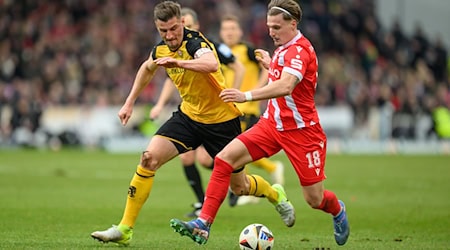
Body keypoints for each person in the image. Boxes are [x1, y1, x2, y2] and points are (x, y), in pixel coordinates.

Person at [90, 1, 292, 246]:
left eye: (174, 29)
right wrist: (129, 102)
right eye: (163, 31)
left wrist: (180, 63)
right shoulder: (161, 49)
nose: (170, 35)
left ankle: (274, 193)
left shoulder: (196, 43)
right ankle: (125, 229)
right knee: (148, 159)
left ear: (182, 23)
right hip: (188, 118)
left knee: (240, 187)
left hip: (222, 122)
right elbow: (146, 68)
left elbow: (211, 64)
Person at [170, 0, 350, 246]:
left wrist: (246, 95)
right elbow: (282, 75)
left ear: (293, 24)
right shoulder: (283, 48)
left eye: (276, 27)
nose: (271, 32)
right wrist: (271, 64)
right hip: (271, 125)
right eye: (269, 26)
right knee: (224, 158)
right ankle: (203, 224)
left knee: (314, 199)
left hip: (302, 132)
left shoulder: (300, 50)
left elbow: (287, 85)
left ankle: (337, 210)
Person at [149, 7, 246, 218]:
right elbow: (169, 78)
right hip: (192, 114)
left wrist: (235, 93)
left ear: (193, 26)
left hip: (220, 113)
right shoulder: (171, 48)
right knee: (186, 158)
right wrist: (159, 105)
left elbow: (238, 67)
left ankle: (239, 186)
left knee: (211, 162)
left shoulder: (211, 46)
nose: (173, 35)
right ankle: (201, 202)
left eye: (187, 26)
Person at [219, 14, 285, 206]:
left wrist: (257, 88)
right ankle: (271, 168)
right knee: (235, 150)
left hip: (247, 107)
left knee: (237, 150)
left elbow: (268, 67)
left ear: (240, 32)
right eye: (226, 29)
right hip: (231, 108)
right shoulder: (221, 53)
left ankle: (245, 189)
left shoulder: (246, 50)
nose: (229, 33)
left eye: (233, 29)